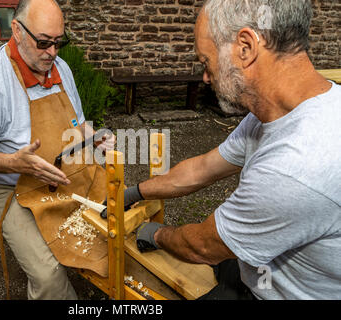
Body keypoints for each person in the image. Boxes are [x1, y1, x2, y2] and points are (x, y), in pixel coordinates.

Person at [116, 0, 340, 300]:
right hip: (264, 269)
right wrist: (137, 192)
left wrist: (156, 234)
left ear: (245, 47)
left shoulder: (295, 167)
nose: (206, 77)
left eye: (206, 62)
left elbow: (203, 246)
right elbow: (202, 169)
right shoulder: (280, 112)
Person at [0, 0, 113, 300]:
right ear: (17, 30)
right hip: (10, 186)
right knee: (48, 276)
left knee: (118, 223)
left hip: (64, 173)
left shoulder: (60, 68)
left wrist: (95, 138)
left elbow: (79, 123)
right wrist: (13, 163)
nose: (53, 53)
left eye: (59, 43)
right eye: (44, 43)